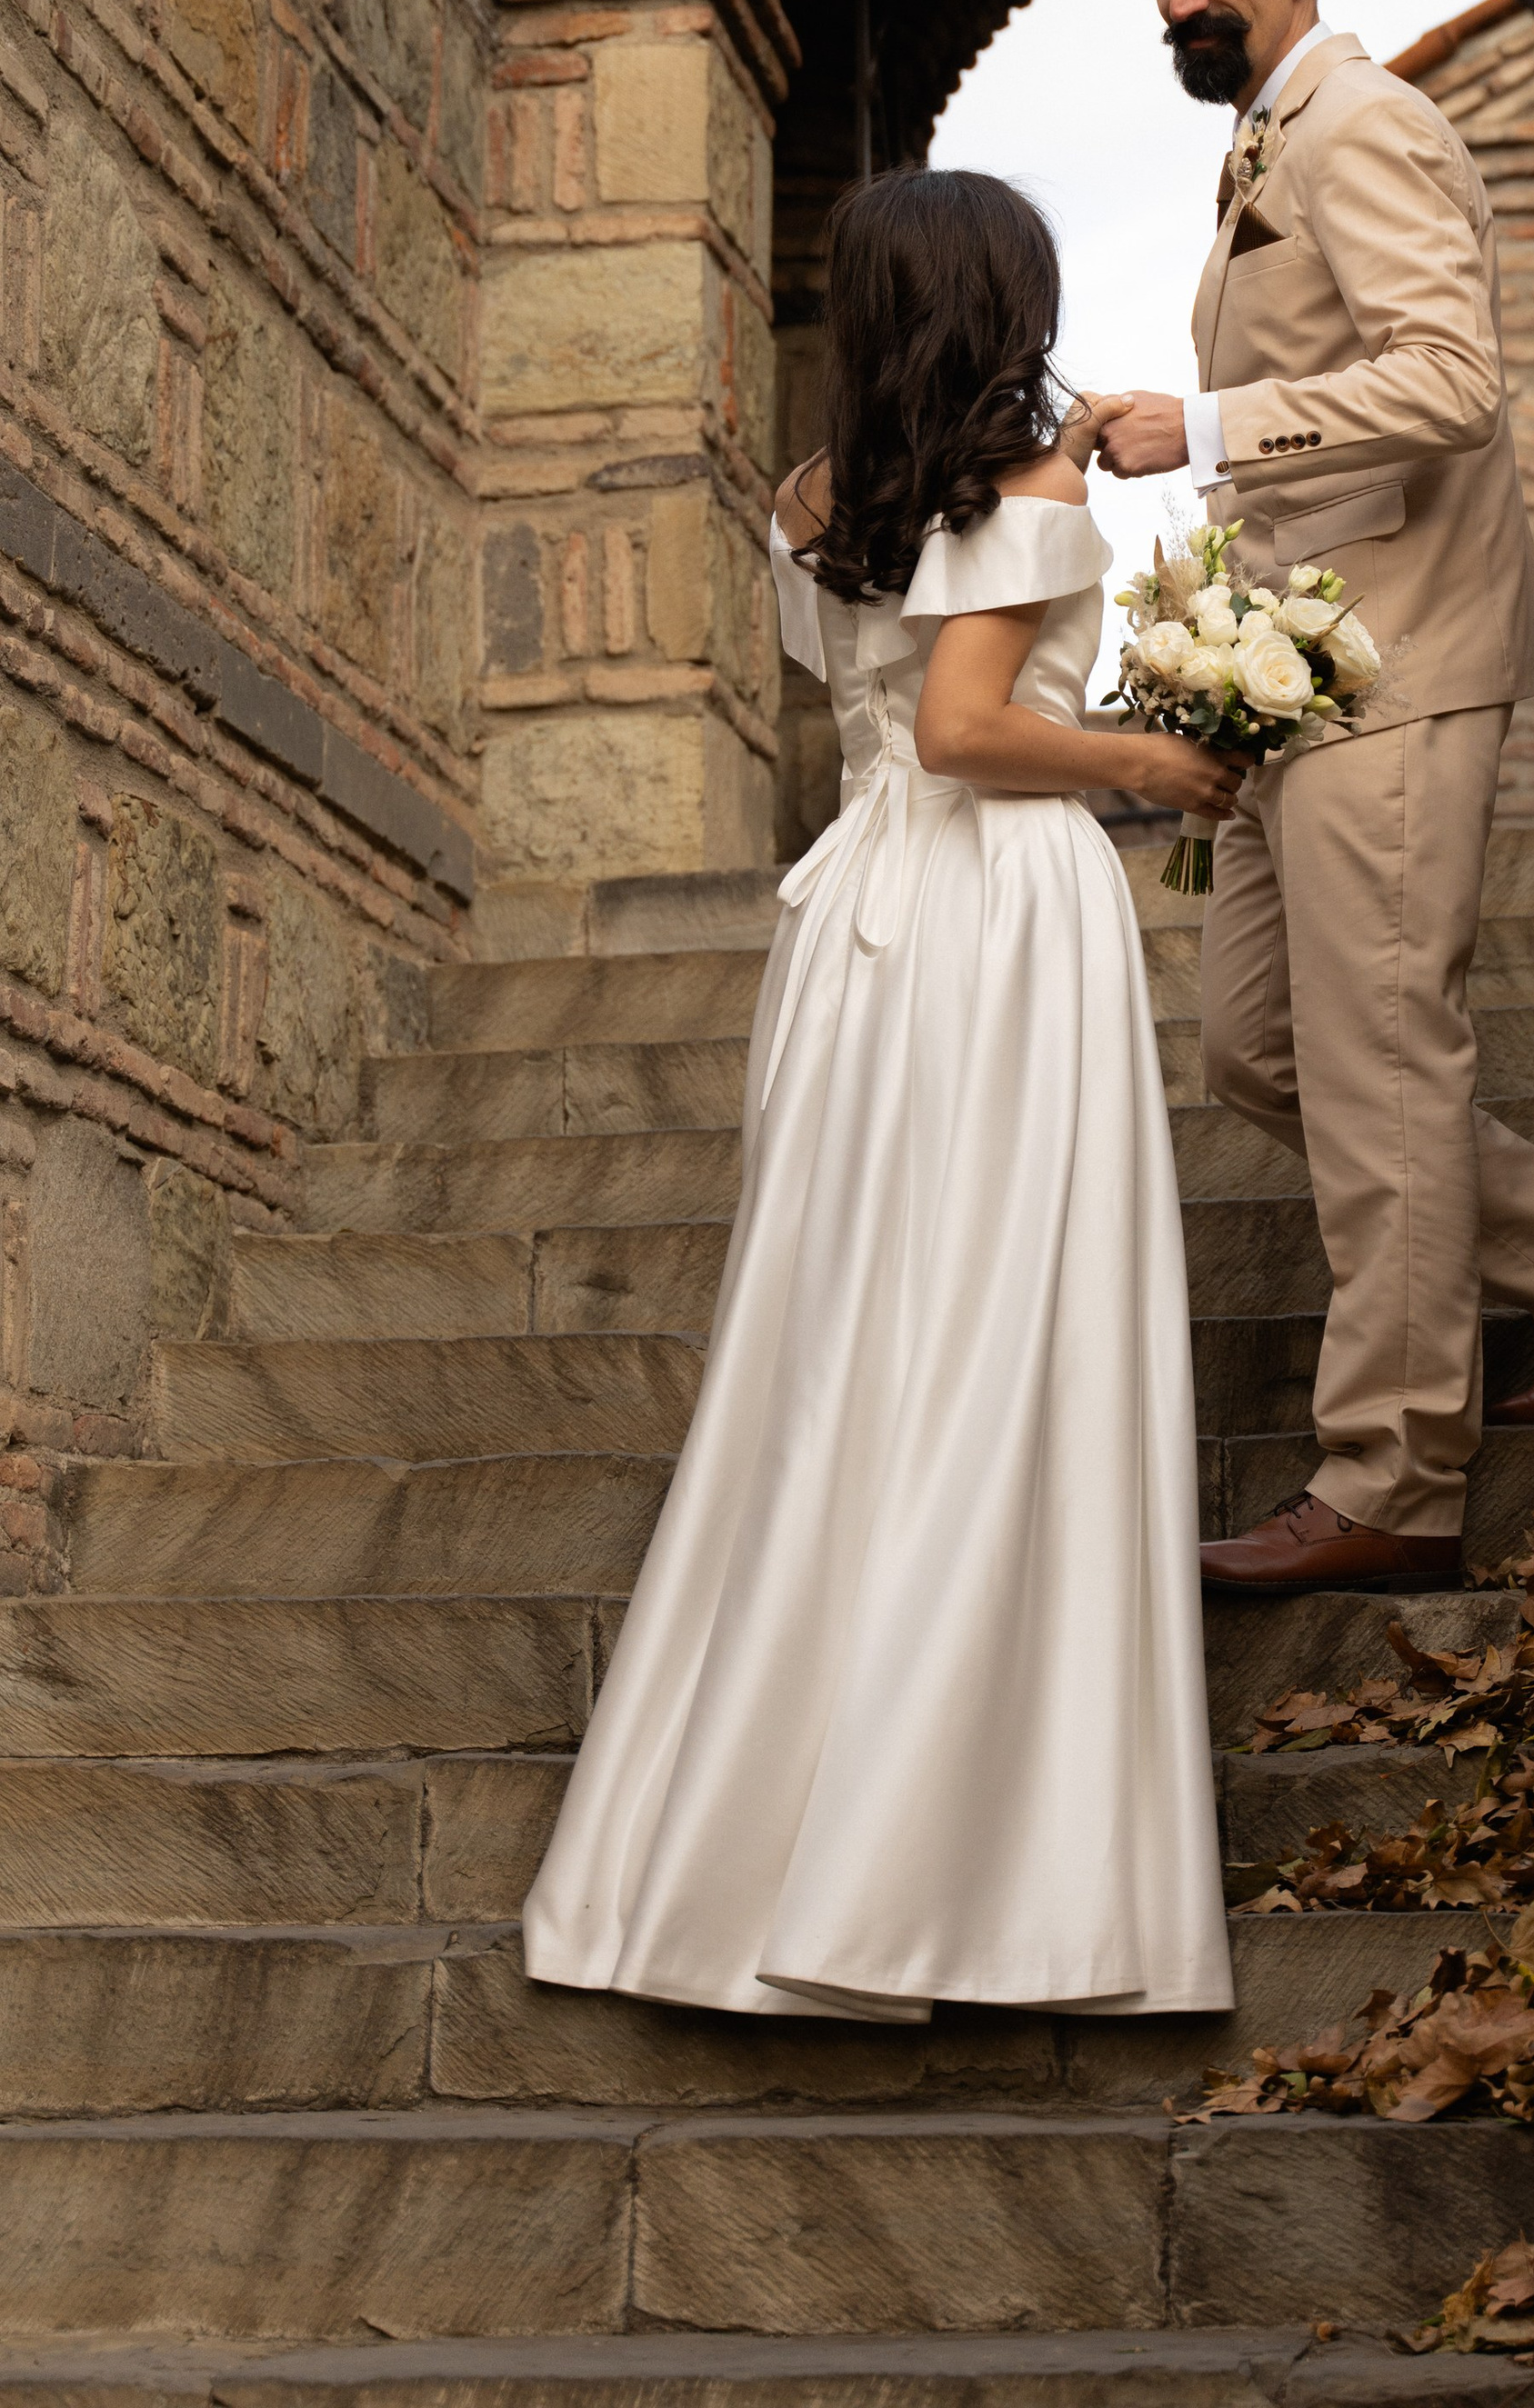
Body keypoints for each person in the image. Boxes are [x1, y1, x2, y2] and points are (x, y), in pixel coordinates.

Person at [523, 167, 1238, 2020]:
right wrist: (1156, 755)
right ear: (1007, 296)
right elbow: (965, 730)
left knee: (844, 1345)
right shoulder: (1030, 490)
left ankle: (738, 1844)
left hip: (855, 924)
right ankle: (948, 1866)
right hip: (997, 917)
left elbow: (865, 704)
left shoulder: (807, 501)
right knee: (1000, 1338)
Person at [1097, 0, 1534, 1598]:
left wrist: (1203, 429)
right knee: (1259, 1047)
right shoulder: (1263, 136)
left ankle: (1390, 1471)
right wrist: (1214, 674)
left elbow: (1449, 381)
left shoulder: (1363, 120)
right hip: (1293, 685)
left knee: (1381, 1059)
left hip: (1401, 669)